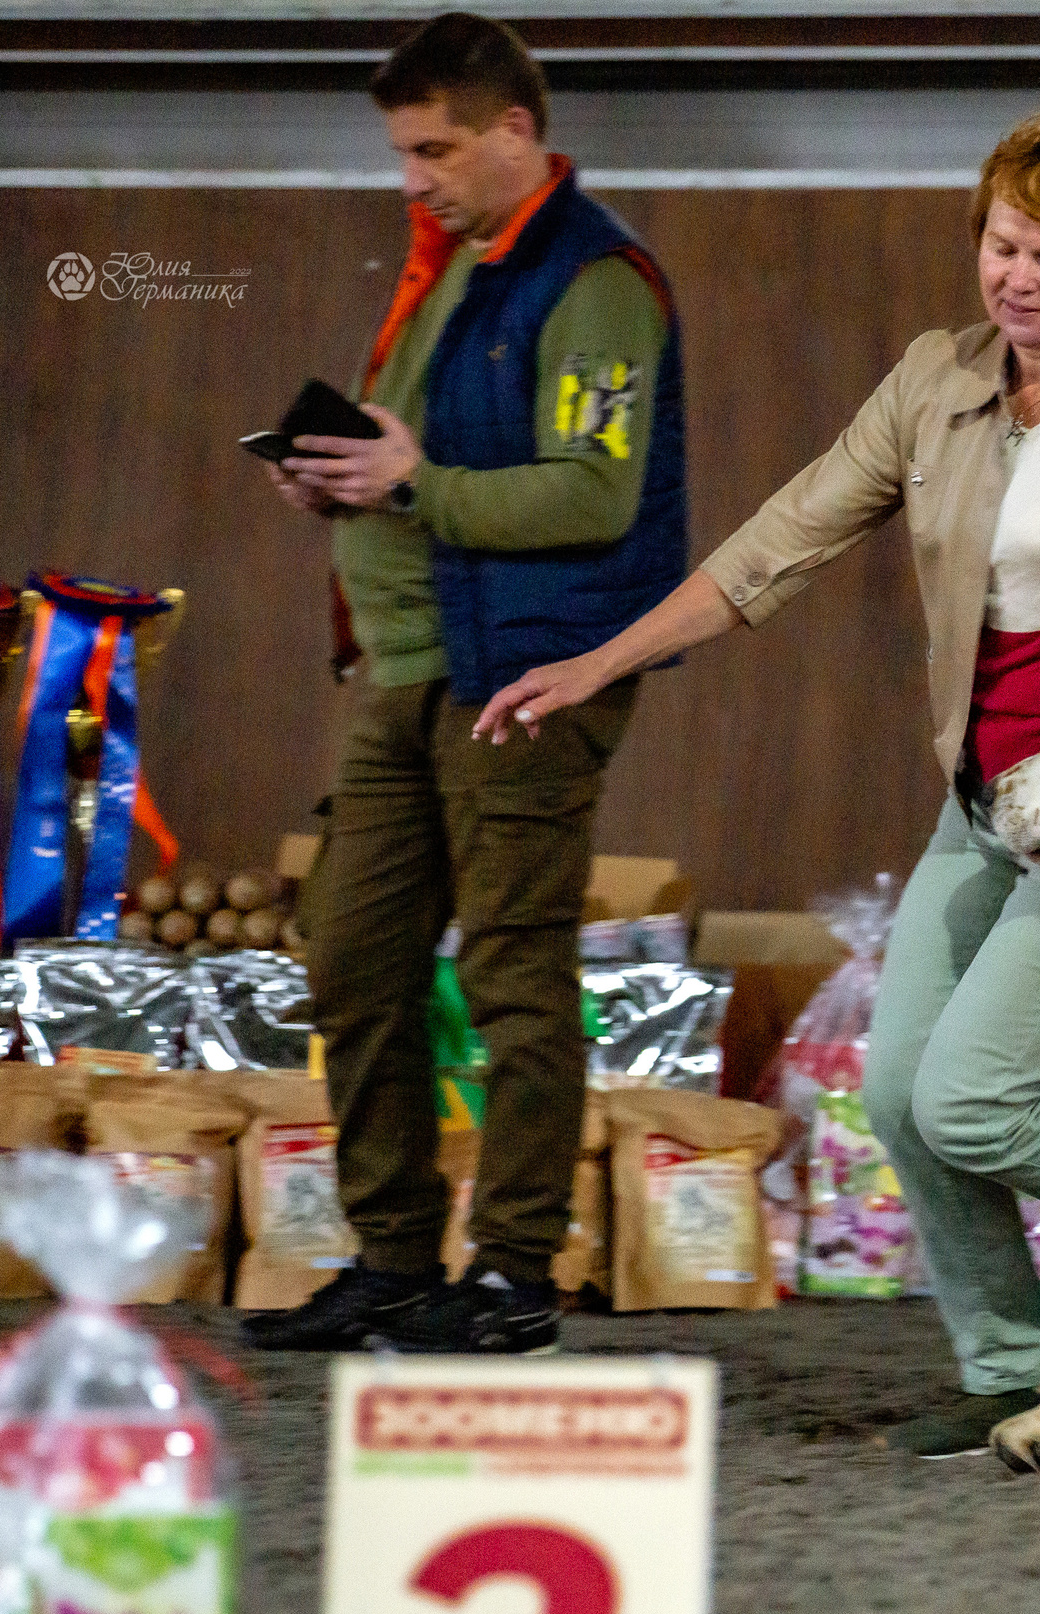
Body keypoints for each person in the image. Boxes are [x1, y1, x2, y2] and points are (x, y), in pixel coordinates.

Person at [475, 113, 1040, 1454]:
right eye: (1001, 246)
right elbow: (783, 539)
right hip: (991, 799)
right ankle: (1007, 1368)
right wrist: (601, 661)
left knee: (970, 1095)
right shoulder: (935, 385)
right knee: (897, 1096)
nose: (1016, 278)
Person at [246, 11, 688, 1355]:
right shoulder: (460, 270)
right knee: (354, 957)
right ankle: (389, 1256)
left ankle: (512, 1270)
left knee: (511, 969)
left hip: (528, 675)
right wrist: (341, 477)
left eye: (434, 147)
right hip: (409, 670)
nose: (413, 177)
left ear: (514, 131)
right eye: (400, 152)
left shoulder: (595, 277)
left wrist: (412, 482)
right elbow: (416, 457)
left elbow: (595, 490)